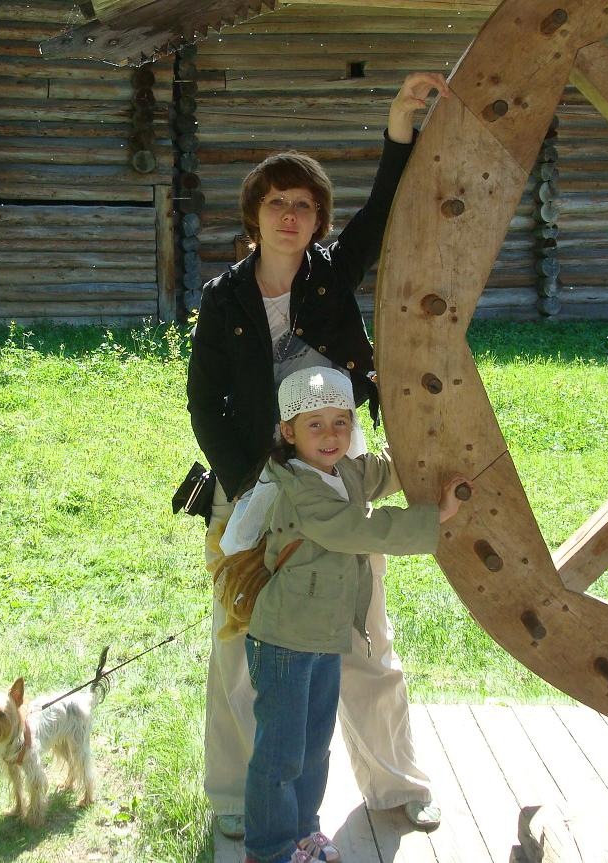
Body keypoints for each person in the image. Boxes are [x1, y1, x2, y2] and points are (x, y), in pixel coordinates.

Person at [187, 71, 451, 839]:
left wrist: (398, 127)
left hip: (337, 470)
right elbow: (204, 403)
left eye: (304, 205)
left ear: (317, 220)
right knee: (242, 637)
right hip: (250, 482)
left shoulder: (331, 275)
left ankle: (395, 783)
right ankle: (235, 797)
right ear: (254, 216)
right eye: (277, 202)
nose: (290, 215)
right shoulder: (224, 299)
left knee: (362, 629)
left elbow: (383, 211)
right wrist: (251, 485)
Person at [227, 366, 471, 863]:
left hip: (323, 638)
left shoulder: (346, 473)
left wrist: (421, 443)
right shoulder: (300, 489)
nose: (331, 435)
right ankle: (268, 850)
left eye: (341, 422)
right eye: (315, 424)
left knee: (314, 749)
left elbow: (386, 471)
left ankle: (303, 833)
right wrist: (435, 517)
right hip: (284, 644)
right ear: (288, 432)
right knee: (280, 756)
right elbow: (358, 529)